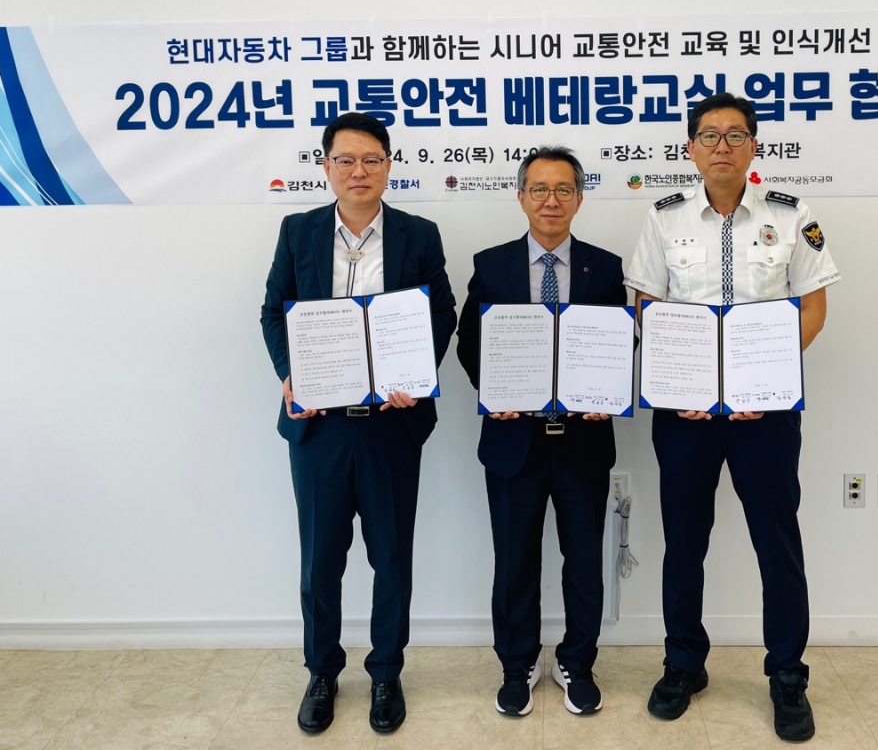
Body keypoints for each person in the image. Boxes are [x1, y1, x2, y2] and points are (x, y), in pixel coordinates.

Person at [624, 93, 841, 742]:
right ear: (690, 148)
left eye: (735, 135)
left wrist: (761, 382)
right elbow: (646, 305)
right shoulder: (663, 217)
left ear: (754, 147)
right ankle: (683, 665)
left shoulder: (792, 215)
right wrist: (679, 379)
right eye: (710, 135)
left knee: (777, 542)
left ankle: (788, 676)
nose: (722, 146)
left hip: (764, 414)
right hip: (684, 413)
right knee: (684, 541)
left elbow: (812, 309)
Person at [260, 112, 457, 736]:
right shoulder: (298, 231)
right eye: (345, 160)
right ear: (325, 167)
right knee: (321, 560)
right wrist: (291, 374)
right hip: (319, 426)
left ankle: (386, 672)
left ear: (388, 165)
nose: (358, 171)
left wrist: (416, 373)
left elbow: (443, 313)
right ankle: (322, 672)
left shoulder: (418, 234)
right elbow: (273, 311)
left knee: (391, 556)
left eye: (371, 159)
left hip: (389, 425)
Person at [455, 147, 628, 718]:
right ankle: (517, 664)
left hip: (583, 441)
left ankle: (578, 661)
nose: (551, 200)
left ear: (579, 198)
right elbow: (470, 341)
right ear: (521, 197)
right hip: (514, 441)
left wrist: (608, 392)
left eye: (563, 189)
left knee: (583, 560)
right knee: (514, 559)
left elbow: (620, 339)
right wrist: (494, 392)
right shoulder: (492, 264)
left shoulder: (606, 267)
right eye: (539, 189)